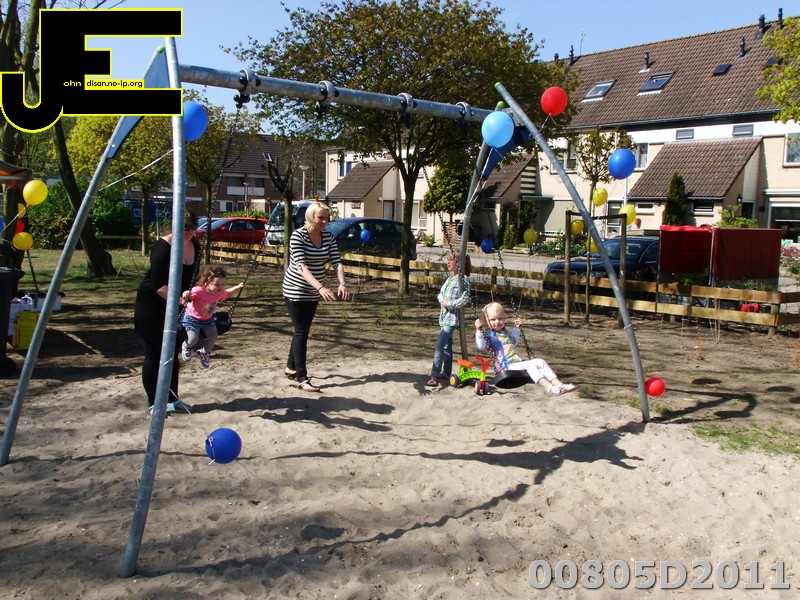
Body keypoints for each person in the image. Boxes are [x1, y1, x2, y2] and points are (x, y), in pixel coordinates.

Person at [134, 208, 200, 415]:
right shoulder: (163, 247)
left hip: (177, 304)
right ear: (174, 225)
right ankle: (154, 402)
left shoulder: (195, 244)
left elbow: (193, 278)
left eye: (193, 227)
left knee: (172, 354)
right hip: (153, 305)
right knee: (154, 354)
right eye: (185, 226)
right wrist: (181, 301)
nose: (190, 231)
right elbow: (157, 284)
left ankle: (172, 399)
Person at [282, 201, 348, 392]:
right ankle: (302, 378)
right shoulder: (298, 236)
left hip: (313, 292)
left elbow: (337, 262)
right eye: (321, 218)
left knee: (301, 330)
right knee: (302, 331)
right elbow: (301, 267)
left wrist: (342, 283)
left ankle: (291, 367)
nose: (325, 221)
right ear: (311, 217)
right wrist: (320, 287)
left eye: (327, 218)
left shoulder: (327, 236)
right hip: (295, 290)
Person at [475, 302, 577, 396]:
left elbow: (513, 341)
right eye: (493, 319)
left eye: (500, 318)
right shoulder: (488, 336)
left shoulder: (504, 333)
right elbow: (481, 346)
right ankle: (550, 388)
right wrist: (479, 331)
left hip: (516, 363)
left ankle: (559, 385)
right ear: (485, 321)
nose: (497, 322)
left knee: (540, 361)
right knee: (530, 366)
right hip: (506, 366)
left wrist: (516, 328)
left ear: (504, 318)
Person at [180, 265, 244, 369]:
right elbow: (188, 294)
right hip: (192, 319)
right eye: (217, 284)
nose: (220, 287)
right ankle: (186, 346)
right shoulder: (198, 291)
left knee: (213, 337)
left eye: (222, 284)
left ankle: (204, 352)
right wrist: (186, 293)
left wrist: (238, 287)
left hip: (208, 319)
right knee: (193, 339)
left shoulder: (219, 293)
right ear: (206, 283)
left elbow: (227, 293)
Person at [427, 251, 472, 387]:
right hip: (444, 317)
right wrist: (443, 301)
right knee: (446, 346)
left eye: (451, 259)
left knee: (439, 345)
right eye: (447, 259)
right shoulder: (450, 279)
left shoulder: (463, 279)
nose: (448, 261)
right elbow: (441, 294)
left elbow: (465, 298)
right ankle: (446, 372)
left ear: (459, 263)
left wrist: (450, 304)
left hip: (452, 319)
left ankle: (434, 375)